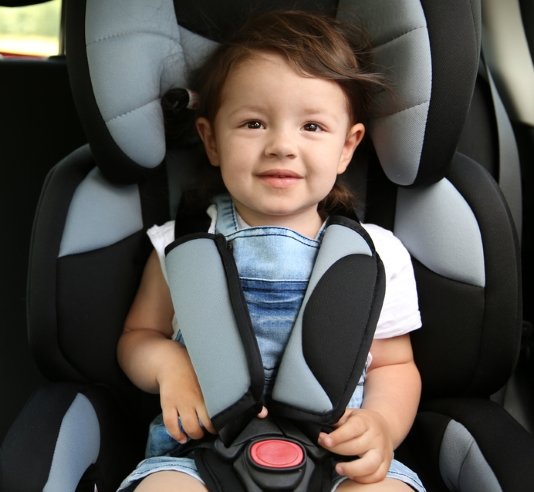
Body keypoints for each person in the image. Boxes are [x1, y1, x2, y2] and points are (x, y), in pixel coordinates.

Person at [116, 10, 425, 492]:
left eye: (313, 127)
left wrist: (382, 425)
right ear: (210, 139)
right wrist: (168, 365)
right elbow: (138, 335)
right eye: (254, 123)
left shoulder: (375, 255)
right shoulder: (181, 244)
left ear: (348, 147)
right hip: (200, 454)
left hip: (336, 458)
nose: (282, 145)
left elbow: (393, 365)